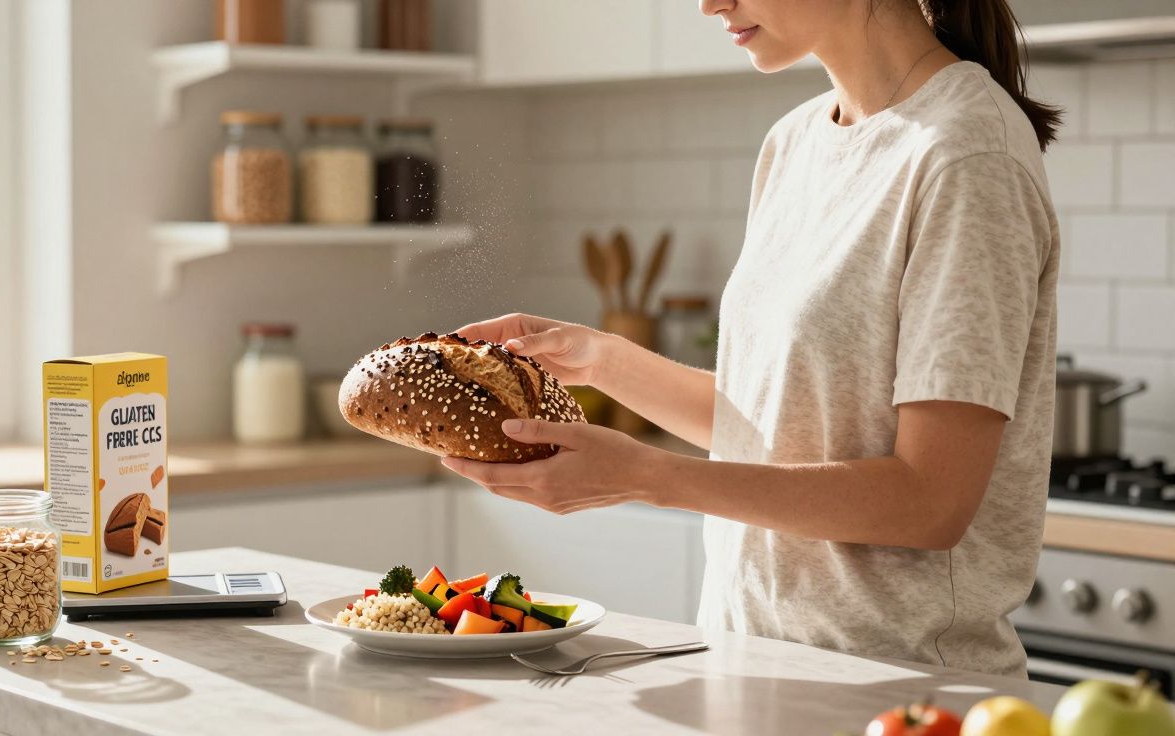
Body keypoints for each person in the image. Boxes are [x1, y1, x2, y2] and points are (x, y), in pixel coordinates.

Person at [440, 0, 1061, 676]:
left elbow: (930, 501)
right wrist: (599, 359)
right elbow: (775, 429)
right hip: (749, 666)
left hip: (898, 688)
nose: (709, 3)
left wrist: (648, 477)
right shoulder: (795, 142)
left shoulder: (966, 153)